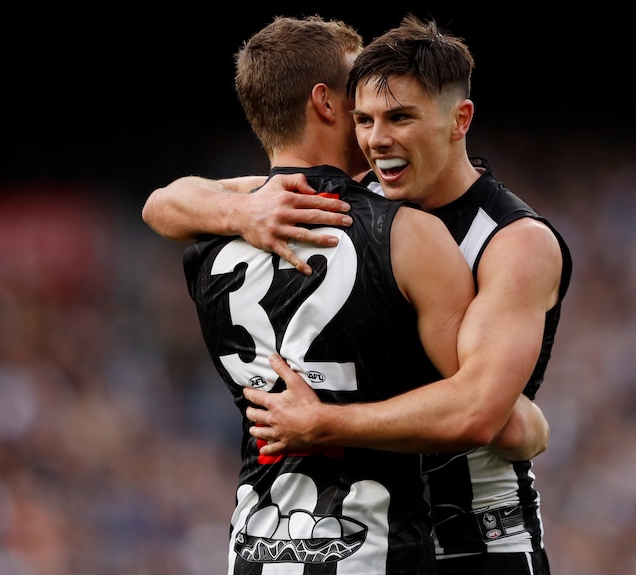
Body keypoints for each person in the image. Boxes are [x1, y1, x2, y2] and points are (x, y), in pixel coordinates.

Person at [142, 14, 563, 575]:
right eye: (363, 117)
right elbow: (162, 204)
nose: (376, 138)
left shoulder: (512, 241)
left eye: (400, 117)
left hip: (479, 542)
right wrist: (241, 210)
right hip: (375, 537)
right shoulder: (341, 202)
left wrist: (325, 421)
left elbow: (485, 415)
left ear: (459, 120)